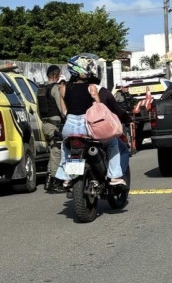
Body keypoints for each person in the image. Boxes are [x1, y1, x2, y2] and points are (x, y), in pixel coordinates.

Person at [52, 53, 130, 187]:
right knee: (112, 144)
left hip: (69, 127)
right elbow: (98, 111)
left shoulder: (63, 89)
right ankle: (114, 176)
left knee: (66, 148)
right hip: (86, 127)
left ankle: (66, 177)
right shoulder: (91, 88)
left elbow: (64, 112)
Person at [41, 65, 67, 193]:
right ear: (57, 75)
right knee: (57, 151)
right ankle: (55, 182)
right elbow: (62, 109)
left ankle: (48, 181)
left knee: (53, 151)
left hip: (44, 124)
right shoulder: (55, 88)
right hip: (54, 125)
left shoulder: (40, 88)